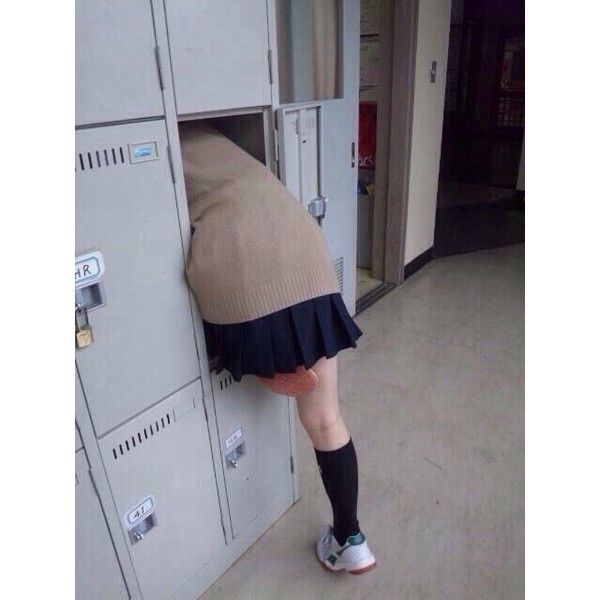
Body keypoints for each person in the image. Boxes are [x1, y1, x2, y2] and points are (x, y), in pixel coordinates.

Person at [180, 121, 377, 575]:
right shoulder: (217, 137)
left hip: (243, 270)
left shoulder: (165, 145)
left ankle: (275, 364)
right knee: (326, 418)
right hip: (306, 257)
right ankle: (351, 539)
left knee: (253, 334)